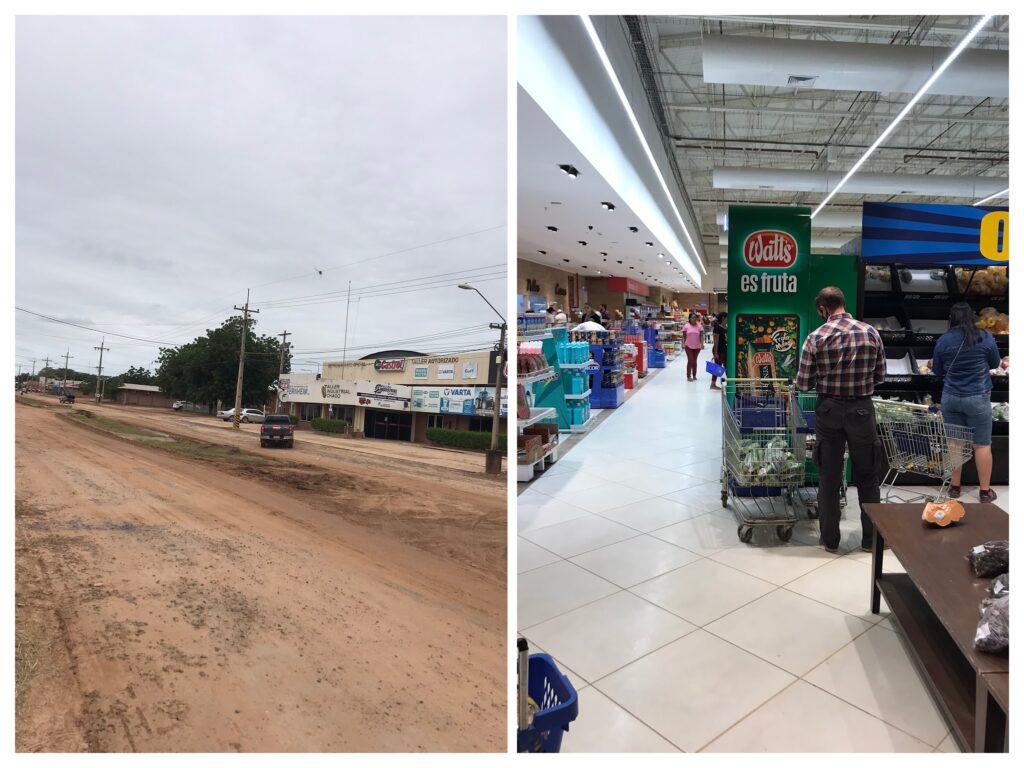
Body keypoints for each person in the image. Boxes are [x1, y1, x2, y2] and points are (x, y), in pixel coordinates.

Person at [796, 286, 886, 553]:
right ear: (843, 303)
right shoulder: (870, 332)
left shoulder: (816, 337)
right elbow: (880, 376)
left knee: (829, 476)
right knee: (867, 476)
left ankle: (830, 540)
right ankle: (870, 541)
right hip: (862, 411)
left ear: (823, 309)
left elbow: (803, 384)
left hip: (829, 412)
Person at [931, 302, 1001, 502]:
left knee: (954, 443)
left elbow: (937, 370)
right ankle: (985, 491)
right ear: (972, 317)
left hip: (951, 397)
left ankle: (955, 487)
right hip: (977, 397)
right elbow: (995, 363)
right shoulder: (985, 336)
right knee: (981, 444)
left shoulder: (944, 340)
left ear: (951, 319)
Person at [682, 312, 703, 382]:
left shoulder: (700, 326)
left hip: (697, 346)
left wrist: (702, 344)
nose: (694, 319)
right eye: (692, 317)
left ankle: (694, 375)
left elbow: (701, 336)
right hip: (688, 346)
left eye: (695, 317)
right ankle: (688, 376)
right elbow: (684, 336)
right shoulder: (686, 326)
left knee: (694, 361)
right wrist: (683, 343)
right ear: (689, 318)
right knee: (690, 360)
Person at [710, 312, 728, 391]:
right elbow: (715, 341)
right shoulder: (717, 328)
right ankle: (713, 384)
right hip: (719, 351)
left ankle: (729, 383)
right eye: (727, 317)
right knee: (717, 367)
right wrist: (716, 353)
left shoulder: (725, 327)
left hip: (725, 350)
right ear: (723, 318)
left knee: (727, 366)